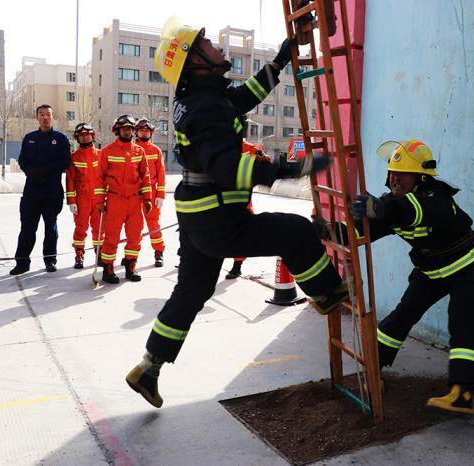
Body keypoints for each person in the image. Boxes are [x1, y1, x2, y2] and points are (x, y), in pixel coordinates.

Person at [125, 18, 348, 408]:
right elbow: (228, 167)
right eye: (207, 44)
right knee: (295, 231)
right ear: (195, 61)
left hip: (198, 215)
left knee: (192, 291)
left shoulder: (202, 96)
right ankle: (327, 294)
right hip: (217, 217)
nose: (217, 47)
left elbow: (241, 98)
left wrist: (278, 63)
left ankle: (148, 366)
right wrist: (285, 168)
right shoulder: (206, 105)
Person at [346, 140, 474, 414]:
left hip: (470, 267)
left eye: (403, 173)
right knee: (401, 317)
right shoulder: (390, 204)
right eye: (392, 172)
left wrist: (381, 209)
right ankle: (373, 371)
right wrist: (328, 231)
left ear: (422, 178)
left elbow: (411, 211)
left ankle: (462, 394)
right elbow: (361, 232)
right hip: (432, 271)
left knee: (462, 323)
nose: (395, 179)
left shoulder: (435, 199)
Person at [10, 105, 71, 275]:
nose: (45, 117)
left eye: (48, 114)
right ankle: (22, 263)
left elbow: (65, 162)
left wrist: (45, 171)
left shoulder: (61, 138)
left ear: (53, 117)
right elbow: (22, 160)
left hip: (52, 192)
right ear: (37, 117)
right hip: (32, 192)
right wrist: (31, 171)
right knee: (27, 228)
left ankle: (50, 260)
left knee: (50, 227)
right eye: (42, 114)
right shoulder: (30, 138)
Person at [94, 115, 152, 284]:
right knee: (111, 237)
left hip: (135, 201)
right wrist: (99, 202)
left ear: (133, 131)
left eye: (129, 128)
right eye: (123, 128)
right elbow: (100, 179)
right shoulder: (107, 151)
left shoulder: (139, 151)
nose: (127, 131)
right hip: (115, 200)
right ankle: (108, 270)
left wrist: (147, 199)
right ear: (117, 130)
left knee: (135, 237)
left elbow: (145, 176)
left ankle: (130, 268)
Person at [224, 140, 270, 279]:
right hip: (221, 195)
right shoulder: (219, 145)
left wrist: (261, 155)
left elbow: (266, 162)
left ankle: (237, 267)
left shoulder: (249, 148)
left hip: (241, 197)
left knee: (239, 232)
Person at [66, 123, 103, 269]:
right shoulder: (74, 157)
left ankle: (99, 254)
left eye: (87, 134)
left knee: (99, 228)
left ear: (92, 136)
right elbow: (70, 180)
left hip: (99, 199)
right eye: (81, 135)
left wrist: (106, 198)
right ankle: (79, 255)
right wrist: (71, 201)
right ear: (77, 138)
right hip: (82, 199)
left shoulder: (101, 155)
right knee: (81, 228)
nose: (85, 136)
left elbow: (106, 178)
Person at [134, 118, 166, 267]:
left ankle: (159, 252)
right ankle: (132, 254)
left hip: (152, 194)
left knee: (153, 225)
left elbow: (161, 174)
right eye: (141, 130)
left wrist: (160, 195)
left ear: (151, 133)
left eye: (146, 130)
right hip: (134, 194)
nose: (144, 132)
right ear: (136, 132)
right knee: (134, 226)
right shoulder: (131, 148)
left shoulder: (156, 150)